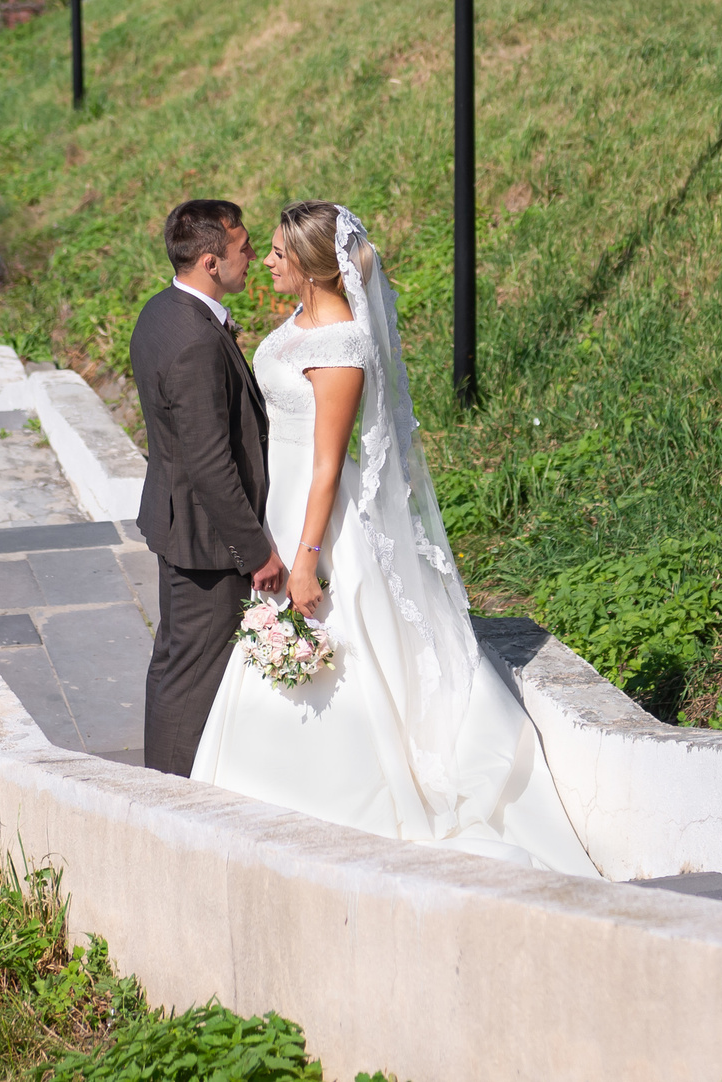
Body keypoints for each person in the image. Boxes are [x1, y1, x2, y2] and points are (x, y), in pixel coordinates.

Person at [188, 201, 597, 875]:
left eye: (279, 255)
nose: (265, 262)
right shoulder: (295, 324)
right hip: (283, 507)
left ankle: (338, 802)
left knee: (339, 641)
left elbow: (326, 466)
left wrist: (306, 560)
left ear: (315, 269)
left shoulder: (342, 345)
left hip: (320, 520)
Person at [129, 199, 287, 777]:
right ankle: (168, 801)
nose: (252, 257)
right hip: (207, 537)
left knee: (175, 661)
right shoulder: (196, 341)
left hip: (182, 524)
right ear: (210, 262)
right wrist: (256, 552)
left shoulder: (161, 309)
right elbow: (209, 461)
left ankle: (163, 784)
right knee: (191, 673)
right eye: (243, 248)